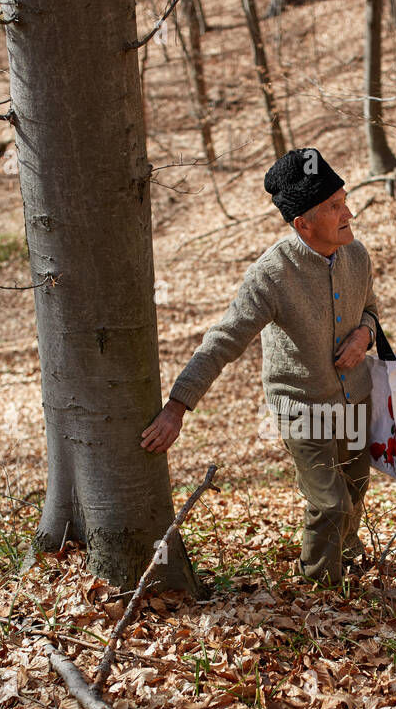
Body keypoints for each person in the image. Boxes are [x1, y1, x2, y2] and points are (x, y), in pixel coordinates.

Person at [141, 147, 383, 586]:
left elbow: (371, 309)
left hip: (355, 399)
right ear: (302, 224)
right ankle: (321, 593)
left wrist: (364, 334)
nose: (348, 212)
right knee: (330, 504)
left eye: (344, 200)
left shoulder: (358, 255)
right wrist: (177, 407)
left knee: (353, 493)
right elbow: (223, 341)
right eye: (334, 206)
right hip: (302, 409)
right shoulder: (271, 275)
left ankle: (345, 558)